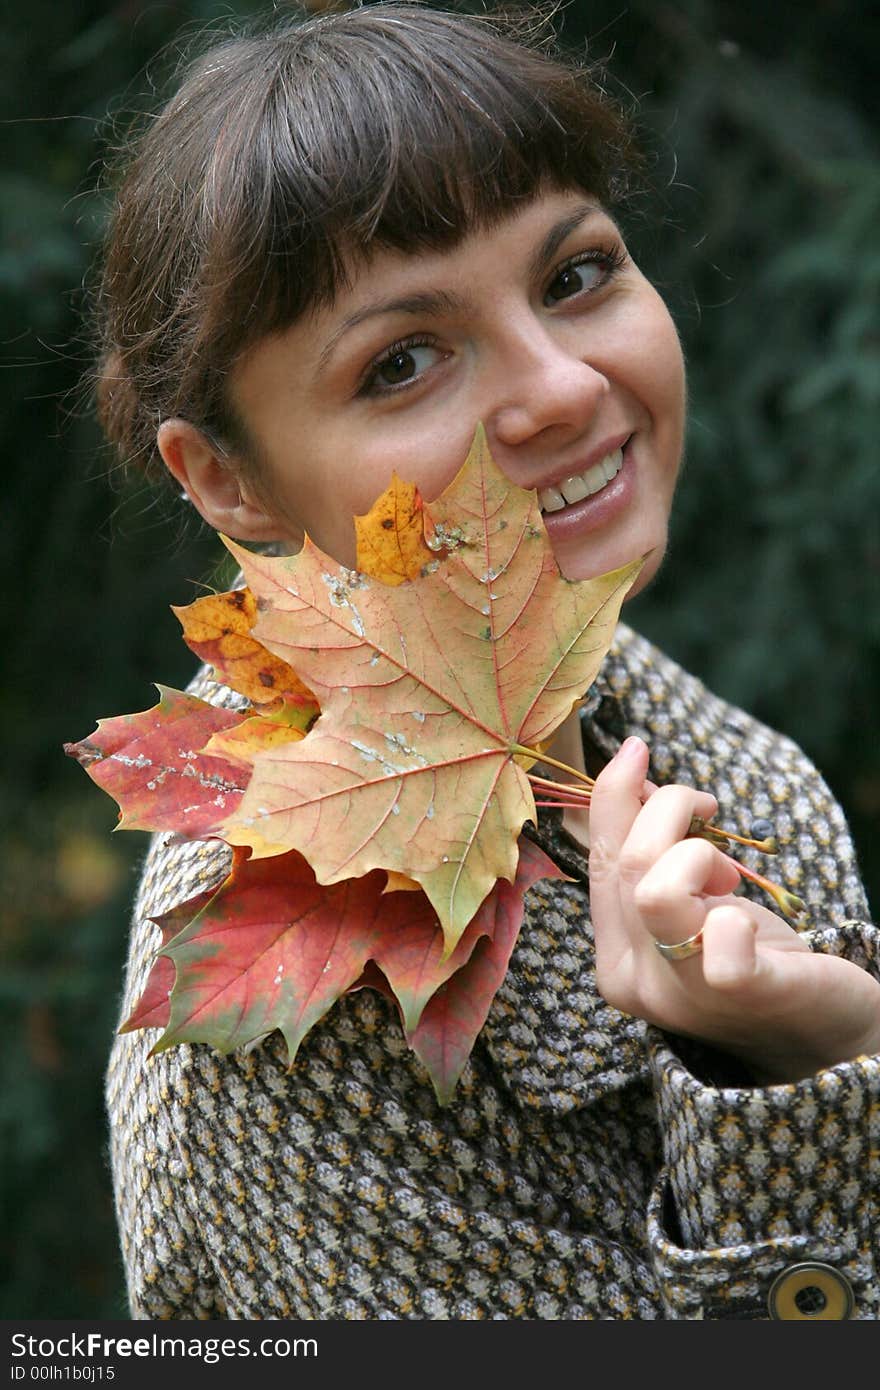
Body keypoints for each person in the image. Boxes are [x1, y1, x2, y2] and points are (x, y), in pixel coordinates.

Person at [94, 3, 880, 1320]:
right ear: (226, 480)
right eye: (403, 361)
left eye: (574, 273)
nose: (562, 386)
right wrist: (791, 1082)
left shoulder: (728, 765)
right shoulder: (284, 1010)